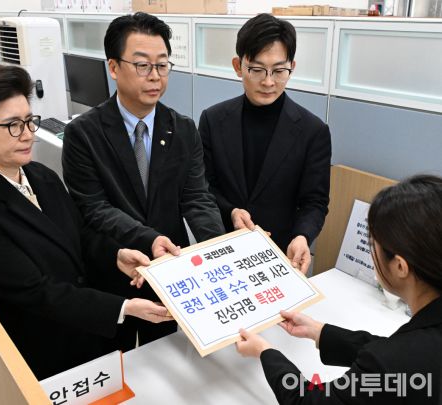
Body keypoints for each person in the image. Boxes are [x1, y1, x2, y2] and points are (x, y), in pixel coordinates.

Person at [0, 61, 173, 380]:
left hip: (89, 331)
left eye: (29, 121)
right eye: (12, 126)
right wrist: (123, 308)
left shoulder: (40, 175)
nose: (28, 135)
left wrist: (116, 255)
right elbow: (36, 292)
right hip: (47, 348)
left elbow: (79, 234)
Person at [62, 12, 225, 350]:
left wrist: (219, 250)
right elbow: (93, 207)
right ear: (113, 67)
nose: (155, 77)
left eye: (162, 65)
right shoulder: (83, 134)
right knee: (114, 361)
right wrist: (148, 238)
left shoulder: (183, 128)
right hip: (115, 270)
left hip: (169, 270)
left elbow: (197, 197)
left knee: (165, 357)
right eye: (142, 65)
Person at [236, 175, 442, 404]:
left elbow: (309, 401)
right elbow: (395, 360)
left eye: (373, 246)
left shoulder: (395, 360)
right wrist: (319, 332)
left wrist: (265, 352)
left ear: (400, 266)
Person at [199, 14, 331, 274]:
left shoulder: (313, 131)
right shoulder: (213, 120)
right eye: (257, 69)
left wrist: (302, 236)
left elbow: (314, 201)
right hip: (221, 249)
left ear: (292, 67)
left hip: (280, 255)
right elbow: (202, 186)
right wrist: (231, 211)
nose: (268, 82)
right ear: (238, 66)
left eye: (279, 71)